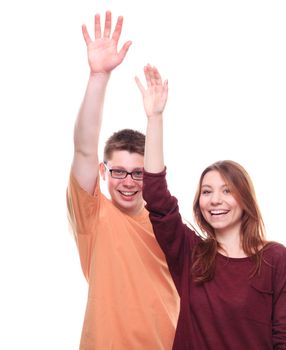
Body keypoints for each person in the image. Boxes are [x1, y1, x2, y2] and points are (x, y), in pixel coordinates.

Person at [136, 65, 286, 349]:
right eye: (207, 191)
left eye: (227, 191)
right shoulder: (190, 253)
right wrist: (155, 119)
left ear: (245, 199)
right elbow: (155, 196)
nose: (215, 199)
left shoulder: (276, 259)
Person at [66, 12, 179, 349]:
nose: (128, 182)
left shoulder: (172, 226)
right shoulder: (94, 216)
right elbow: (84, 149)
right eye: (118, 171)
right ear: (104, 173)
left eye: (138, 173)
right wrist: (98, 76)